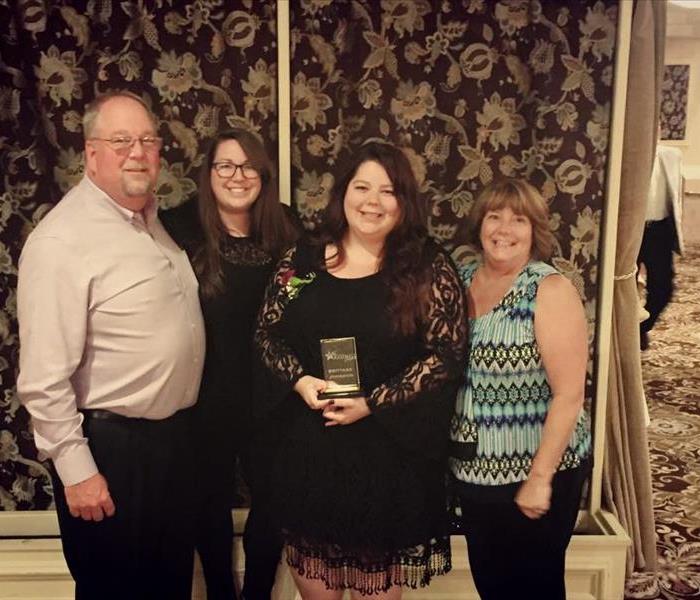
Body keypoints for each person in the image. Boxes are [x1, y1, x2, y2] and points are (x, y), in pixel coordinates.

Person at [254, 142, 467, 598]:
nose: (372, 201)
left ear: (404, 201)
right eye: (362, 187)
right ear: (342, 193)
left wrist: (372, 402)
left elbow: (447, 354)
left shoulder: (425, 265)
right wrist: (301, 380)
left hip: (386, 462)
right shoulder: (304, 261)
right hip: (310, 456)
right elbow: (267, 334)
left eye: (387, 191)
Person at [16, 91, 205, 600]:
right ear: (91, 152)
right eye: (121, 141)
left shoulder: (152, 221)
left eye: (147, 140)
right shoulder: (63, 239)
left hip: (169, 447)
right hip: (111, 453)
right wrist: (77, 472)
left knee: (167, 590)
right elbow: (42, 376)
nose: (137, 152)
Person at [160, 128, 300, 599]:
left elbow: (309, 304)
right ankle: (221, 592)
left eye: (248, 167)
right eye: (225, 165)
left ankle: (257, 593)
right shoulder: (176, 228)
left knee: (276, 502)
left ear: (264, 175)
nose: (237, 176)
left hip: (273, 395)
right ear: (208, 173)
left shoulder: (287, 229)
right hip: (205, 395)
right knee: (208, 505)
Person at [449, 178, 592, 600]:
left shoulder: (548, 289)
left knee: (535, 590)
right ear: (479, 224)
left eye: (519, 220)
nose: (504, 229)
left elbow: (569, 394)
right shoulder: (462, 278)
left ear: (535, 231)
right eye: (495, 216)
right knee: (492, 587)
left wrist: (539, 478)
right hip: (476, 471)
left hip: (536, 469)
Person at [638, 143, 684, 350]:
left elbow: (675, 195)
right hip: (630, 230)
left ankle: (642, 326)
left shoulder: (672, 155)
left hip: (659, 230)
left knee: (663, 288)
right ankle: (627, 332)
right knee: (624, 287)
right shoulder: (627, 153)